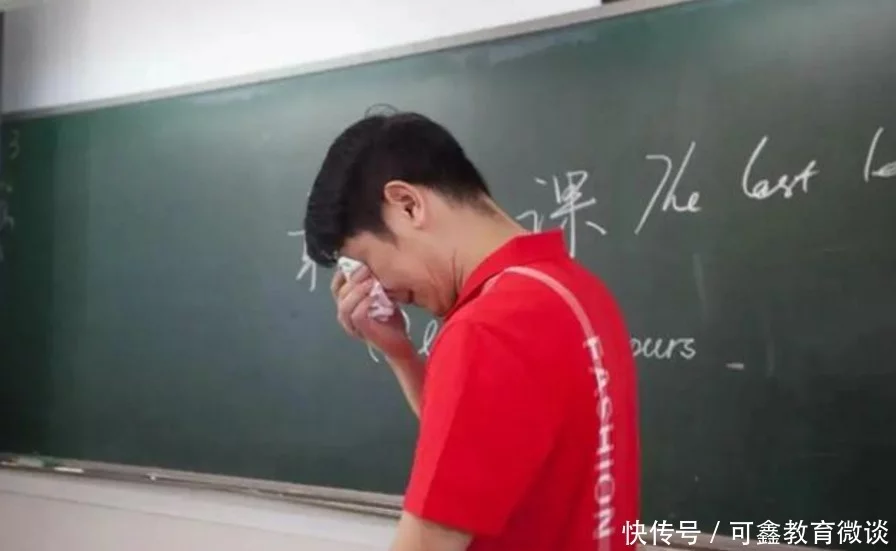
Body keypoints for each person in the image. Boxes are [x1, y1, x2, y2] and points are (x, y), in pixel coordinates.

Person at [303, 111, 640, 551]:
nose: (378, 287)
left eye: (366, 261)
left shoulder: (487, 328)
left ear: (407, 204)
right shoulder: (578, 291)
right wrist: (400, 354)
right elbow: (477, 446)